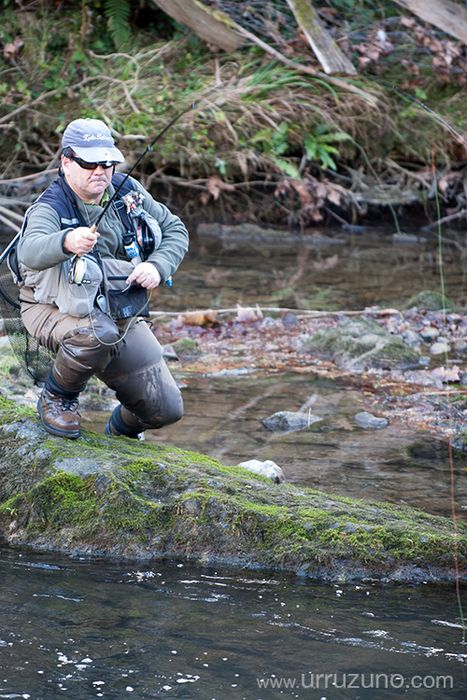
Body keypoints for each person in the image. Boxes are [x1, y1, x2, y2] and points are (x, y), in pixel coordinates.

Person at [15, 117, 189, 440]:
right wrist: (66, 241)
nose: (101, 171)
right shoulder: (49, 207)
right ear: (66, 163)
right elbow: (28, 251)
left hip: (116, 309)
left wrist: (158, 267)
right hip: (51, 308)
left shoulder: (128, 192)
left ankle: (119, 433)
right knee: (99, 332)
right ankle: (57, 398)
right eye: (89, 162)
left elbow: (175, 230)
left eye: (108, 162)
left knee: (166, 409)